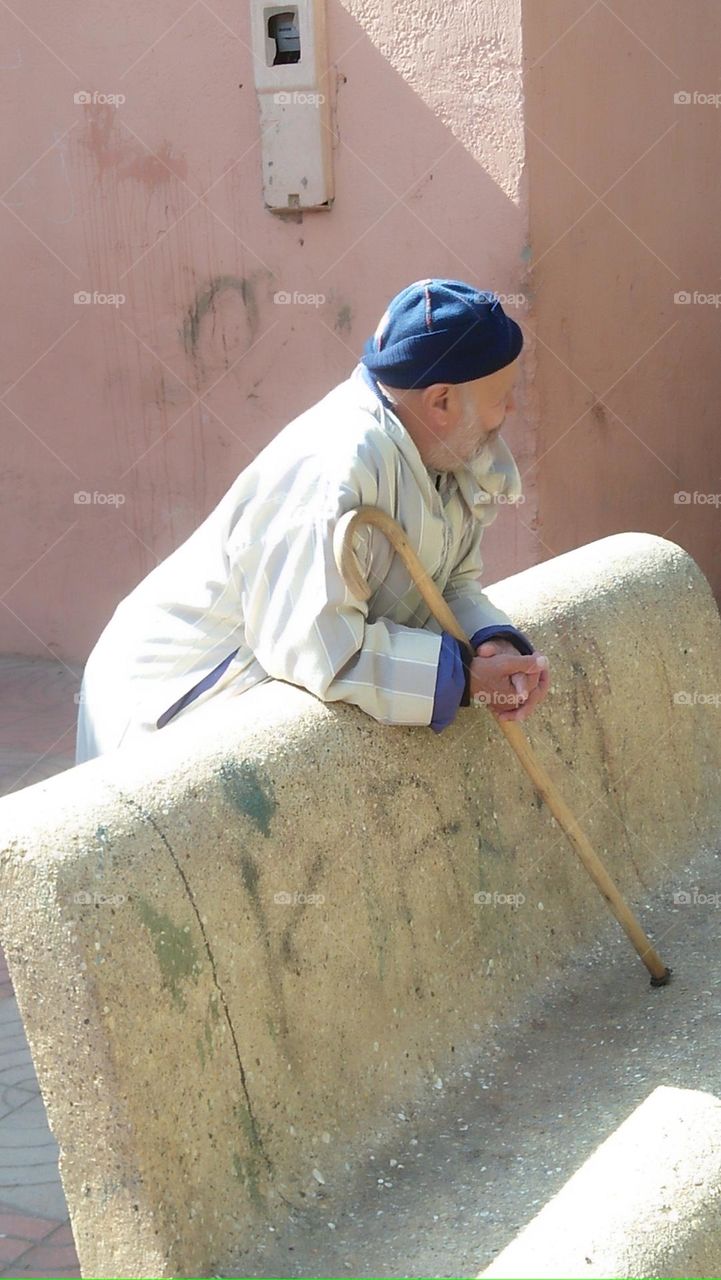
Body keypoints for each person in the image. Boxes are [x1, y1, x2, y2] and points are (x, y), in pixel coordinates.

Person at [75, 278, 549, 764]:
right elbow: (320, 649)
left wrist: (493, 644)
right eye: (503, 396)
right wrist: (466, 680)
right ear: (442, 402)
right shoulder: (332, 469)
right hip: (172, 698)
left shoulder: (449, 448)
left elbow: (450, 584)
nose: (509, 410)